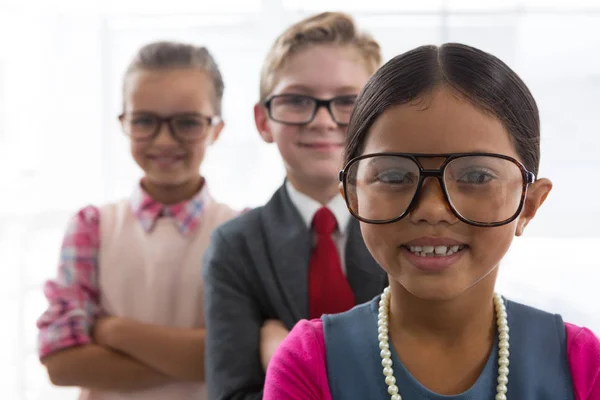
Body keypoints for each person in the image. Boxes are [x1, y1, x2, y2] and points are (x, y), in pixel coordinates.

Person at [264, 43, 600, 399]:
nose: (433, 209)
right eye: (394, 177)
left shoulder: (580, 364)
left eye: (476, 176)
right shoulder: (309, 362)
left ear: (528, 204)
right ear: (352, 194)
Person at [36, 41, 238, 399]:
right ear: (124, 124)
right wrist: (194, 357)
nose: (164, 140)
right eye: (144, 121)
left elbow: (238, 357)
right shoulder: (92, 227)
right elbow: (61, 363)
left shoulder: (240, 232)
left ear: (216, 129)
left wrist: (113, 331)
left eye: (187, 122)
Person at [203, 12, 386, 399]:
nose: (322, 121)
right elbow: (233, 393)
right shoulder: (236, 247)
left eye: (347, 101)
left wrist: (285, 358)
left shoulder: (408, 228)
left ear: (378, 119)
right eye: (297, 100)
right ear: (263, 120)